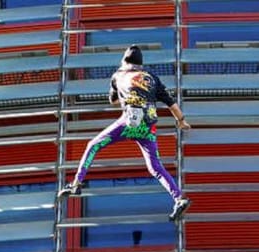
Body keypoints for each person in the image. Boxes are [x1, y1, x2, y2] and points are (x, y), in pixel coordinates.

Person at [60, 44, 192, 221]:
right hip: (148, 125)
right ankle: (178, 198)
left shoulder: (118, 75)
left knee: (93, 145)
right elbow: (171, 104)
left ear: (125, 61)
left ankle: (76, 183)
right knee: (155, 167)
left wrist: (120, 91)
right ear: (141, 64)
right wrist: (182, 121)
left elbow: (112, 101)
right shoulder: (152, 77)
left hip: (130, 120)